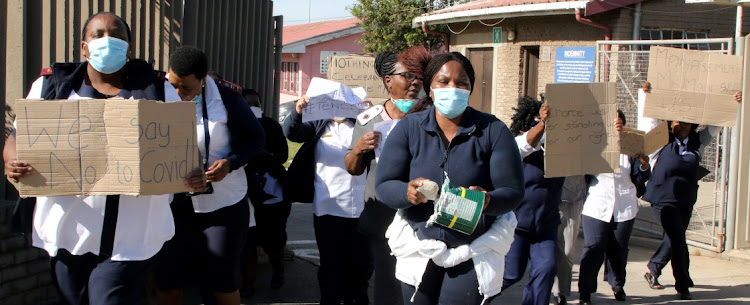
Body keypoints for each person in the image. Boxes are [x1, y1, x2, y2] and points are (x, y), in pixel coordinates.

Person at [2, 12, 198, 305]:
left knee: (110, 297)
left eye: (117, 35)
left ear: (129, 47)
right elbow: (16, 138)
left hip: (130, 238)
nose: (108, 41)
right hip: (69, 233)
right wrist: (13, 162)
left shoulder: (157, 91)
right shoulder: (51, 89)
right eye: (99, 34)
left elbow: (180, 146)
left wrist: (190, 172)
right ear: (84, 46)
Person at [374, 52, 524, 305]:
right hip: (418, 245)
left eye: (461, 83)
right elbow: (384, 185)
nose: (452, 88)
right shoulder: (409, 128)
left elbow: (512, 191)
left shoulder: (493, 130)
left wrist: (487, 200)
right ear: (430, 88)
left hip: (472, 249)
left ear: (470, 89)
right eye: (443, 82)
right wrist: (407, 192)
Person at [153, 46, 264, 305]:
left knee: (221, 283)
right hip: (172, 205)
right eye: (174, 85)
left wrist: (230, 163)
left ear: (203, 80)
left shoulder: (227, 99)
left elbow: (256, 138)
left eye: (187, 88)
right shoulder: (157, 93)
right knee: (167, 283)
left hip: (222, 205)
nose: (179, 94)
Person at [344, 46, 430, 305]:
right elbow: (352, 168)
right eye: (407, 75)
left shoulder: (431, 115)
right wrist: (359, 149)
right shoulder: (369, 119)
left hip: (423, 214)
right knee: (388, 284)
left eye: (419, 76)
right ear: (388, 80)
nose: (415, 82)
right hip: (383, 218)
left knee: (422, 283)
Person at [640, 82, 742, 300]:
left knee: (674, 238)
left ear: (691, 125)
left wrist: (731, 103)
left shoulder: (698, 141)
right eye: (675, 120)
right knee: (677, 239)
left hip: (685, 199)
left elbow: (717, 124)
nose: (679, 124)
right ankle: (682, 283)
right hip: (663, 198)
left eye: (684, 121)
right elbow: (651, 121)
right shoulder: (662, 139)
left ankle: (653, 269)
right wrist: (647, 95)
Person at [283, 91, 372, 304]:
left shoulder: (362, 124)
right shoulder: (317, 124)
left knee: (360, 265)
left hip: (361, 206)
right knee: (331, 265)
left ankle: (357, 299)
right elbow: (293, 133)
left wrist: (370, 115)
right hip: (327, 206)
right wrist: (297, 111)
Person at [577, 110, 651, 305]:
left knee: (618, 248)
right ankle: (585, 291)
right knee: (594, 247)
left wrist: (644, 165)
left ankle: (617, 284)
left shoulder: (631, 149)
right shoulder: (592, 146)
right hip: (597, 203)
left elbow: (639, 177)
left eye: (619, 124)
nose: (615, 128)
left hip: (624, 205)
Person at [502, 96, 565, 305]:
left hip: (545, 224)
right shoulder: (518, 146)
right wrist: (544, 125)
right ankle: (473, 297)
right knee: (511, 274)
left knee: (546, 269)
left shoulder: (563, 152)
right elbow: (528, 142)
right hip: (518, 224)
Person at [241, 88, 290, 294]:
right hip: (254, 193)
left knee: (270, 240)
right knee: (251, 241)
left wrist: (260, 156)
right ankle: (250, 282)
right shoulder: (242, 125)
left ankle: (274, 275)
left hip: (269, 192)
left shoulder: (268, 125)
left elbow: (282, 155)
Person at [551, 174, 586, 305]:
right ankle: (556, 290)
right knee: (554, 249)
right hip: (554, 198)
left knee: (568, 251)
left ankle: (561, 290)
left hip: (574, 199)